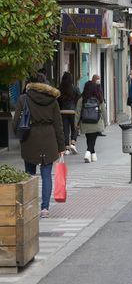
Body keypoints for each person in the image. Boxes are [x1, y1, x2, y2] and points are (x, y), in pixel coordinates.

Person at [12, 74, 64, 218]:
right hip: (49, 139)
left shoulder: (24, 99)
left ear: (31, 83)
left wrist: (19, 136)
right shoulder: (53, 101)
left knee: (29, 175)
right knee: (46, 175)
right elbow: (58, 125)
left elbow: (16, 121)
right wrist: (61, 147)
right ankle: (45, 208)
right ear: (45, 84)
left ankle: (29, 205)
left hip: (29, 138)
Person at [76, 80, 107, 163]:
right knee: (92, 139)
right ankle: (88, 152)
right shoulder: (99, 98)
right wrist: (106, 122)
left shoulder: (82, 99)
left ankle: (92, 154)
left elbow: (78, 113)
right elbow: (104, 111)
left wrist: (75, 123)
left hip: (85, 123)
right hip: (96, 122)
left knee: (89, 138)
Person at [58, 72, 80, 155]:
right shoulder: (75, 89)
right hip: (73, 111)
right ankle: (73, 143)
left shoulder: (60, 89)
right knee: (75, 128)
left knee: (65, 130)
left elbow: (57, 101)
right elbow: (79, 99)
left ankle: (66, 148)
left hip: (63, 112)